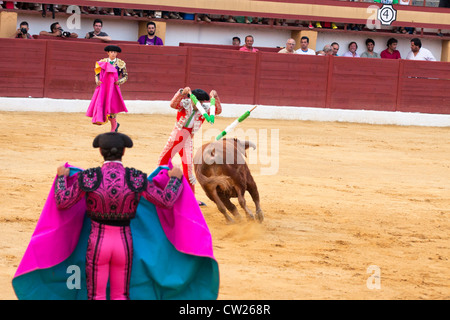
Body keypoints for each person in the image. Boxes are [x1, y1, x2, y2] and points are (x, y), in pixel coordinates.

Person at [54, 132, 184, 300]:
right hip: (124, 243)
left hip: (98, 242)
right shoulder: (135, 178)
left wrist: (61, 178)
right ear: (123, 152)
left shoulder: (88, 177)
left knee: (96, 295)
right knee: (121, 295)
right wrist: (175, 180)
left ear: (100, 151)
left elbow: (62, 201)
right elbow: (166, 201)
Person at [158, 87, 222, 205]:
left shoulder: (204, 109)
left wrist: (215, 98)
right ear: (193, 99)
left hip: (187, 140)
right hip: (175, 138)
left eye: (203, 102)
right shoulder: (185, 104)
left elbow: (217, 110)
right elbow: (173, 104)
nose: (201, 104)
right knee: (162, 162)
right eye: (200, 101)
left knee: (188, 171)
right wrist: (181, 92)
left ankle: (191, 198)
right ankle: (158, 190)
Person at [86, 45, 128, 132]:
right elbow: (97, 74)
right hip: (103, 87)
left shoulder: (121, 63)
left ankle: (113, 127)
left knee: (112, 108)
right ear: (108, 53)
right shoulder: (102, 62)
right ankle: (115, 124)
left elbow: (125, 76)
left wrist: (119, 82)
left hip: (113, 88)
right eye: (111, 52)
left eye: (115, 52)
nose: (113, 54)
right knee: (103, 105)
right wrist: (97, 81)